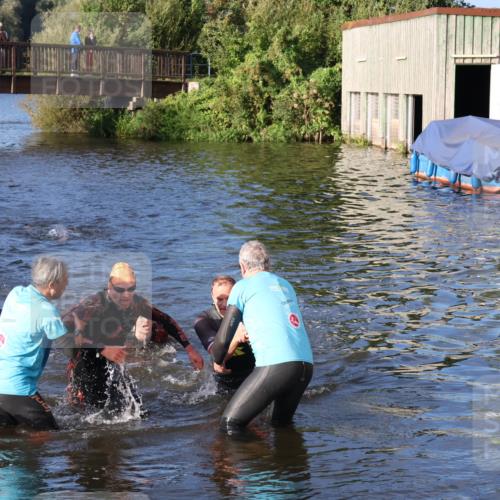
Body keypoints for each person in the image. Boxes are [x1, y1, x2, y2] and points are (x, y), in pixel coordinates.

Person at [61, 262, 204, 415]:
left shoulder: (137, 303)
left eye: (131, 289)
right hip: (84, 367)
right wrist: (101, 347)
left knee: (139, 413)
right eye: (120, 289)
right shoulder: (94, 305)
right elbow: (62, 332)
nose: (126, 295)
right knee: (89, 419)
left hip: (112, 366)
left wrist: (189, 349)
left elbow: (166, 320)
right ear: (109, 286)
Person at [212, 240, 313, 434]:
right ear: (268, 264)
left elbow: (222, 342)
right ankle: (288, 463)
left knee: (229, 425)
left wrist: (217, 360)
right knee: (279, 426)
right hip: (306, 367)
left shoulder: (242, 287)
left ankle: (257, 460)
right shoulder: (286, 285)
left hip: (276, 366)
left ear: (242, 266)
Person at [0, 256, 69, 430]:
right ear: (52, 285)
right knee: (51, 434)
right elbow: (70, 350)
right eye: (64, 281)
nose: (66, 285)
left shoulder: (16, 293)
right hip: (19, 390)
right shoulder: (48, 311)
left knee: (10, 436)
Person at [194, 275, 255, 391]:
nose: (225, 304)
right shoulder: (203, 321)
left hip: (253, 373)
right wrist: (236, 338)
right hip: (224, 380)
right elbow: (217, 359)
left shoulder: (249, 315)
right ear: (212, 297)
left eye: (229, 298)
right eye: (220, 299)